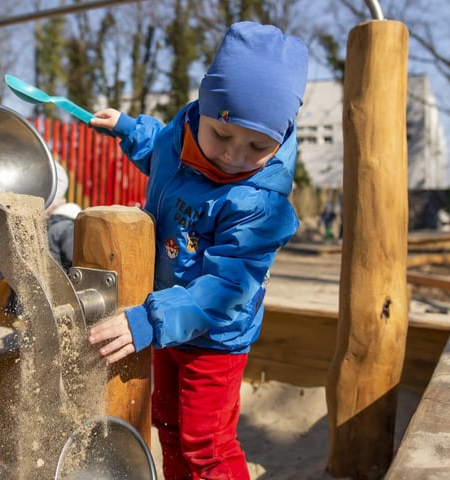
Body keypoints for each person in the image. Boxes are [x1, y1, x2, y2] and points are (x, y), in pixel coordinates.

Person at [87, 21, 308, 479]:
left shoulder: (258, 203)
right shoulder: (182, 135)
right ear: (202, 109)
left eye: (258, 146)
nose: (234, 155)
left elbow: (229, 286)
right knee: (166, 423)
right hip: (165, 321)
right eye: (222, 136)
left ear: (281, 139)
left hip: (213, 340)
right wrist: (128, 129)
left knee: (206, 442)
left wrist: (151, 319)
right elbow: (159, 150)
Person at [0, 160, 81, 313]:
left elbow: (78, 265)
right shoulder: (25, 230)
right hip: (24, 310)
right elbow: (9, 254)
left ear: (53, 202)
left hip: (54, 308)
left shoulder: (64, 228)